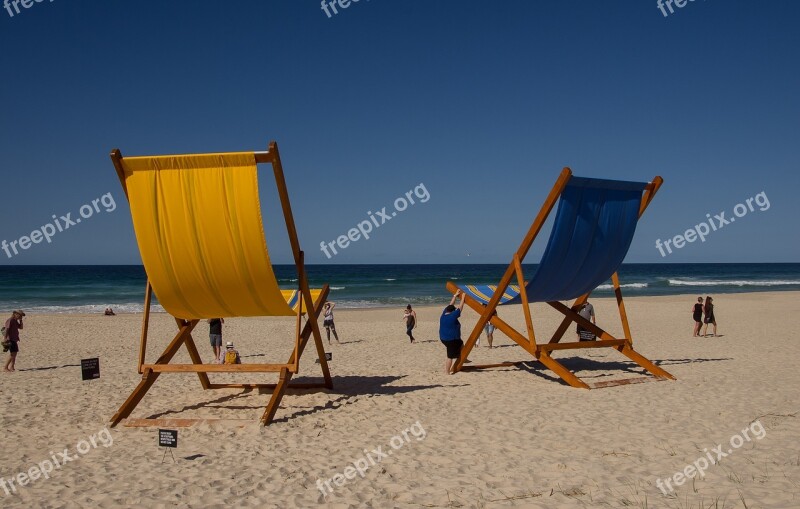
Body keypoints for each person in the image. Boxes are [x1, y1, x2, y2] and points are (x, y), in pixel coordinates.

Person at [439, 290, 466, 374]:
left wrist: (455, 295)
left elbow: (451, 304)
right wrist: (463, 298)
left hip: (444, 338)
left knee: (461, 343)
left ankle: (464, 357)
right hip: (450, 339)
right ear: (453, 311)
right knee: (450, 356)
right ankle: (447, 372)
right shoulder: (453, 316)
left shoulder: (444, 314)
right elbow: (460, 308)